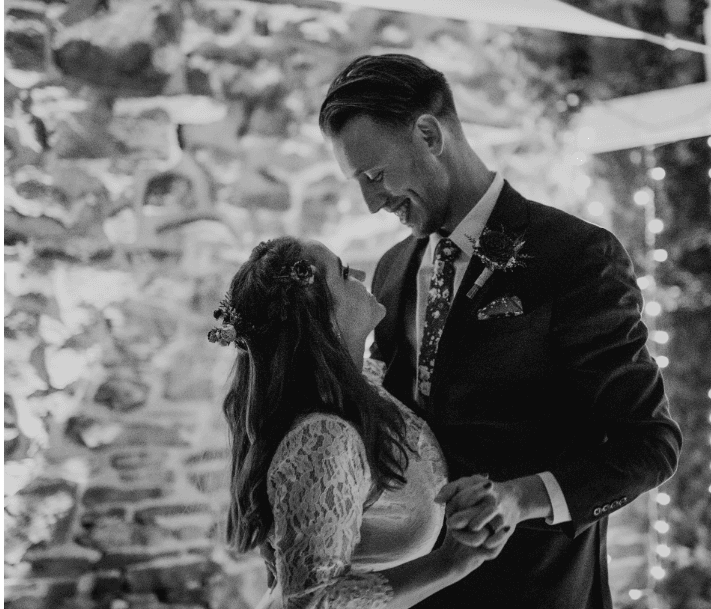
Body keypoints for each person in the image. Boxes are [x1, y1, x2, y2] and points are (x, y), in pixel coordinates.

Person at [318, 54, 683, 608]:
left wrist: (518, 499)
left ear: (428, 133)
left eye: (375, 176)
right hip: (421, 587)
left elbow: (649, 445)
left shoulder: (576, 257)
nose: (372, 203)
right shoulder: (392, 270)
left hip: (538, 586)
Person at [209, 236, 514, 608]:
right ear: (320, 313)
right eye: (343, 272)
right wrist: (451, 562)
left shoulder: (362, 387)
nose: (362, 274)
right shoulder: (324, 437)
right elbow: (311, 602)